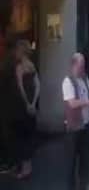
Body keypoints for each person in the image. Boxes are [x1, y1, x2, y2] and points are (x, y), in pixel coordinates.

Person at [63, 53, 89, 190]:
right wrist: (88, 102)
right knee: (71, 159)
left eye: (84, 66)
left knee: (85, 156)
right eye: (80, 66)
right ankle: (70, 186)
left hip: (86, 123)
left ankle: (85, 183)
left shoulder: (85, 78)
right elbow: (72, 103)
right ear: (73, 65)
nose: (83, 69)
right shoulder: (67, 81)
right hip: (74, 126)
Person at [10, 40, 40, 179]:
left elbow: (20, 87)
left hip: (22, 106)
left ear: (20, 51)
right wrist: (33, 103)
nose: (15, 53)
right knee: (29, 134)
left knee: (21, 135)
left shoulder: (19, 67)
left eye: (17, 50)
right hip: (32, 103)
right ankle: (28, 167)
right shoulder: (32, 65)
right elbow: (38, 84)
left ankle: (25, 169)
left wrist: (27, 103)